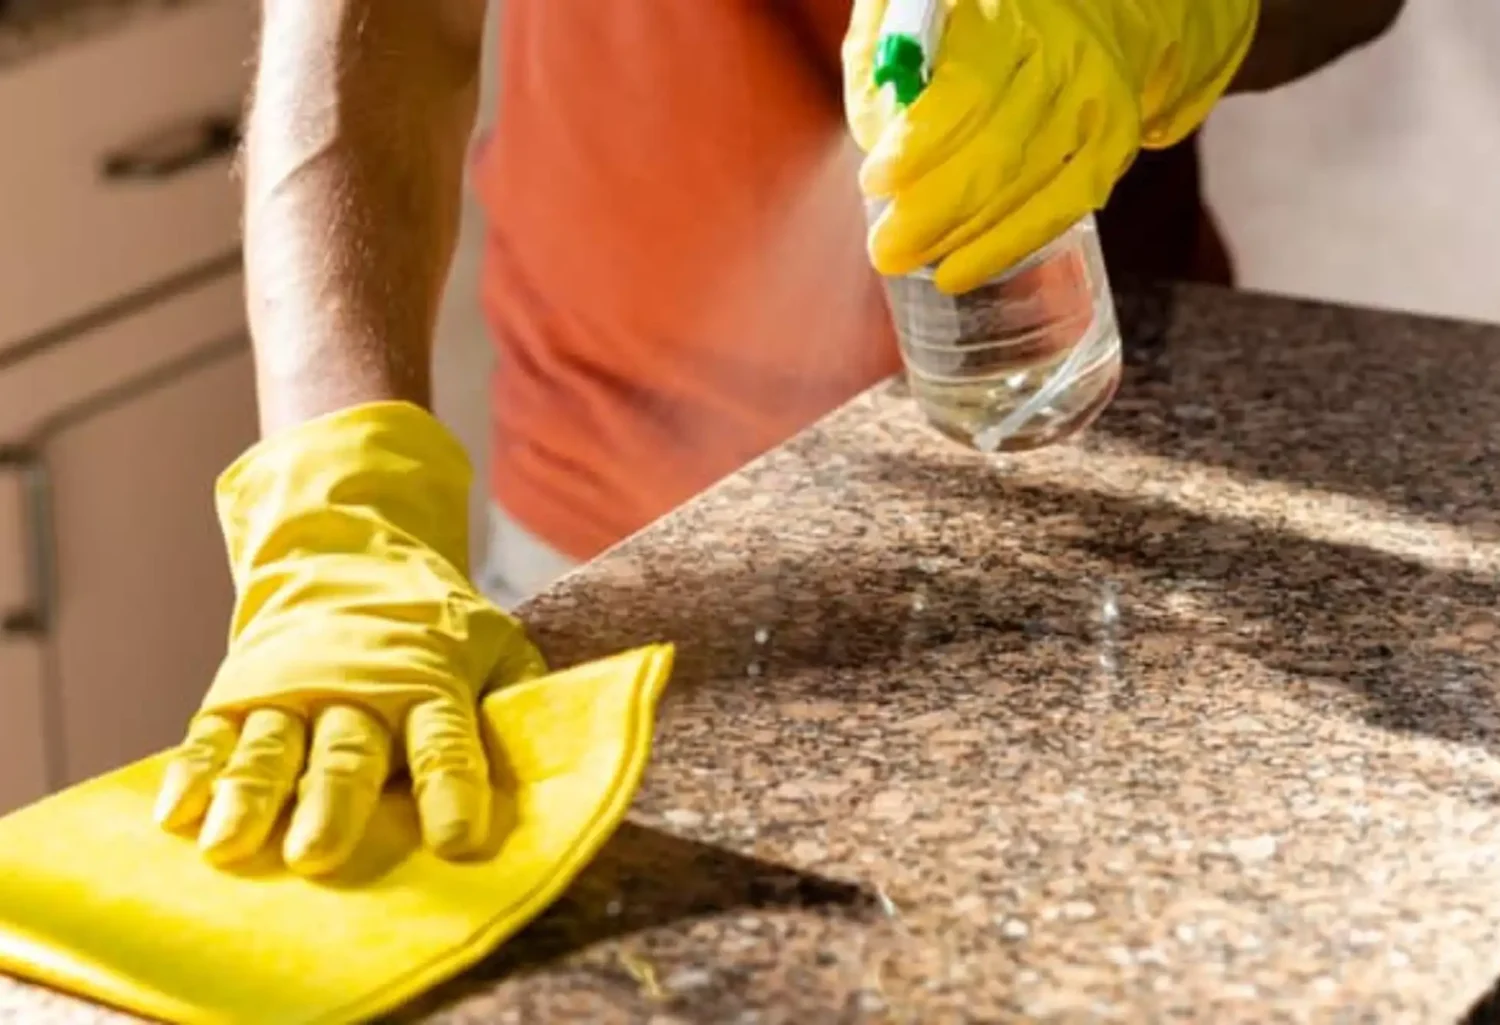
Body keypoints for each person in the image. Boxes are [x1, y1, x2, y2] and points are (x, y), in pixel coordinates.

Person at [150, 0, 1405, 876]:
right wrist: (340, 502)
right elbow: (368, 26)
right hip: (624, 540)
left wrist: (1146, 12)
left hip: (1122, 491)